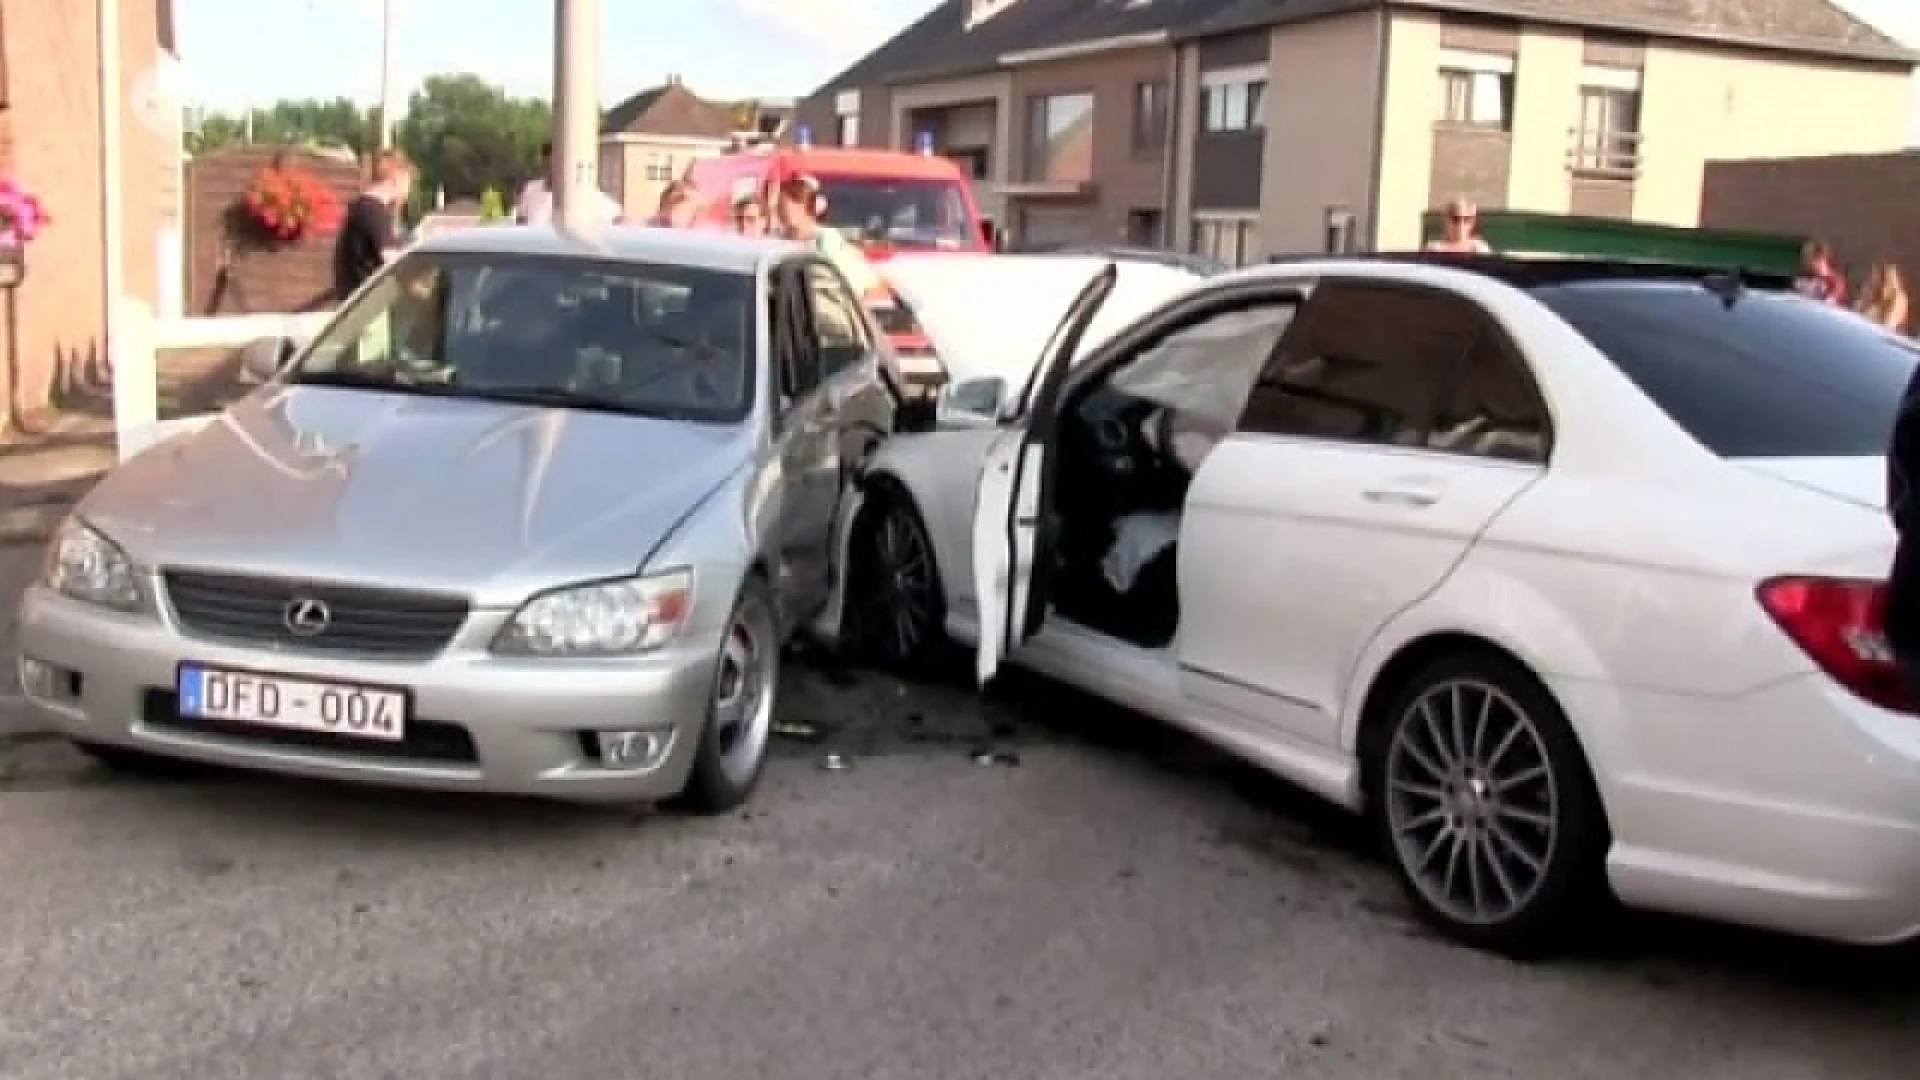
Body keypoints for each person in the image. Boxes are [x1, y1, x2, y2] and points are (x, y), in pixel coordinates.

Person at [774, 172, 885, 302]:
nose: (780, 209)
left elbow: (852, 283)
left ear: (804, 205)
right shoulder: (778, 239)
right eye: (779, 205)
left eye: (785, 204)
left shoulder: (826, 239)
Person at [332, 149, 413, 303]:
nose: (407, 192)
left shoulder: (361, 207)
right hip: (368, 304)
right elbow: (392, 261)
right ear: (397, 178)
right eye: (407, 183)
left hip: (355, 301)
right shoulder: (374, 212)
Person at [514, 140, 625, 226]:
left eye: (559, 165)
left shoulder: (588, 196)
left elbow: (619, 219)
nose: (554, 169)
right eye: (550, 164)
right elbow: (520, 222)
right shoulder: (532, 190)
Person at [1857, 259, 1910, 333]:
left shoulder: (1899, 299)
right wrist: (1864, 299)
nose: (1870, 278)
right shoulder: (1871, 291)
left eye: (1874, 274)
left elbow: (1888, 327)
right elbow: (1856, 314)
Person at [1424, 197, 1492, 254]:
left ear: (1472, 223)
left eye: (1466, 219)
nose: (1461, 224)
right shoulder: (1433, 249)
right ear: (1446, 220)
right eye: (1455, 218)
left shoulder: (1480, 249)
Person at [1794, 239, 1848, 305]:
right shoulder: (1803, 278)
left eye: (1808, 258)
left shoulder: (1836, 281)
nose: (1805, 262)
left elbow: (1830, 302)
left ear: (1820, 257)